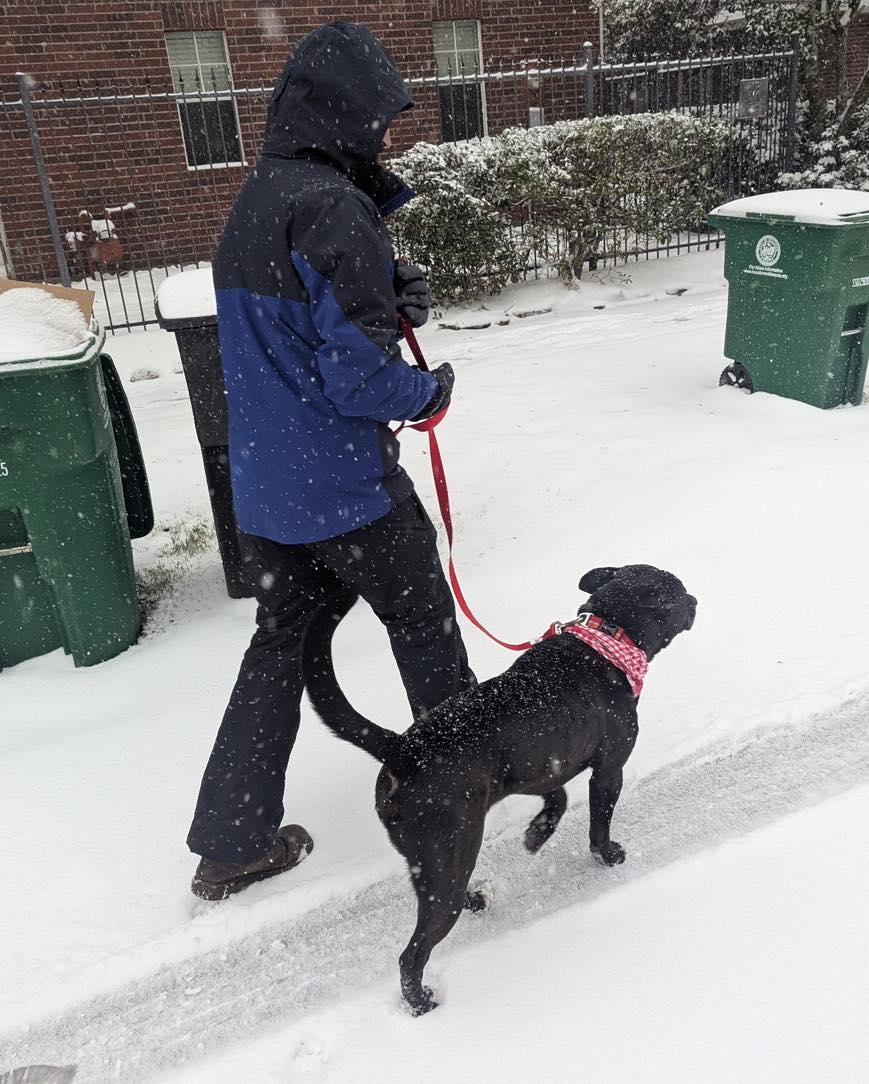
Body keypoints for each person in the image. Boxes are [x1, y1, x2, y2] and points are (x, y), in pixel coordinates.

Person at [186, 22, 474, 901]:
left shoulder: (261, 196)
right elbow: (354, 379)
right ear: (343, 113)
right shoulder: (333, 206)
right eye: (380, 117)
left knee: (277, 648)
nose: (387, 135)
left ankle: (232, 840)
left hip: (267, 495)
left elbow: (297, 333)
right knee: (423, 628)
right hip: (347, 491)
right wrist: (426, 397)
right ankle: (462, 792)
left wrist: (384, 288)